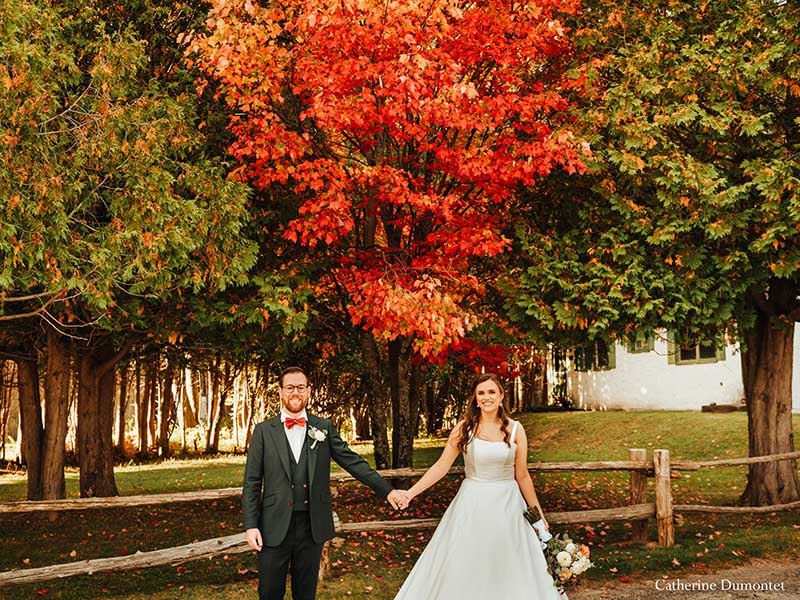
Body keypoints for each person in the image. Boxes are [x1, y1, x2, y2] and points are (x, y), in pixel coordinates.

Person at [243, 366, 408, 600]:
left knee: (306, 593)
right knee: (269, 592)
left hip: (312, 525)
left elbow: (354, 463)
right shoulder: (263, 431)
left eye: (301, 387)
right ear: (280, 392)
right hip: (272, 524)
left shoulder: (323, 428)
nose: (295, 392)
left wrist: (387, 491)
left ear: (309, 391)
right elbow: (251, 481)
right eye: (290, 388)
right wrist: (251, 525)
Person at [393, 372, 560, 600]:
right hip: (472, 504)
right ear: (475, 398)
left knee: (508, 561)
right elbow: (441, 467)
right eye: (481, 393)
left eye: (492, 392)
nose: (486, 397)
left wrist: (538, 516)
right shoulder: (464, 429)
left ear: (501, 395)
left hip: (508, 505)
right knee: (468, 560)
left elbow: (522, 476)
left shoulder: (515, 429)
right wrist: (410, 493)